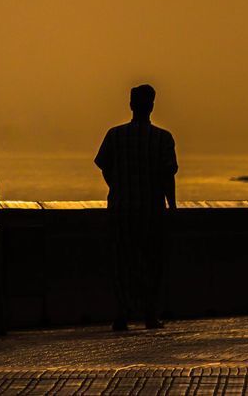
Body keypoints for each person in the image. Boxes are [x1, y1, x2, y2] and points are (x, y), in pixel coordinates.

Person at [95, 83, 178, 331]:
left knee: (123, 263)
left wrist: (118, 188)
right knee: (152, 262)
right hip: (151, 212)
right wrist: (172, 206)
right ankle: (150, 314)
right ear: (151, 106)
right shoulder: (163, 139)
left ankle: (122, 313)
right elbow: (167, 176)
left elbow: (104, 167)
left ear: (131, 105)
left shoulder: (115, 136)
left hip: (121, 210)